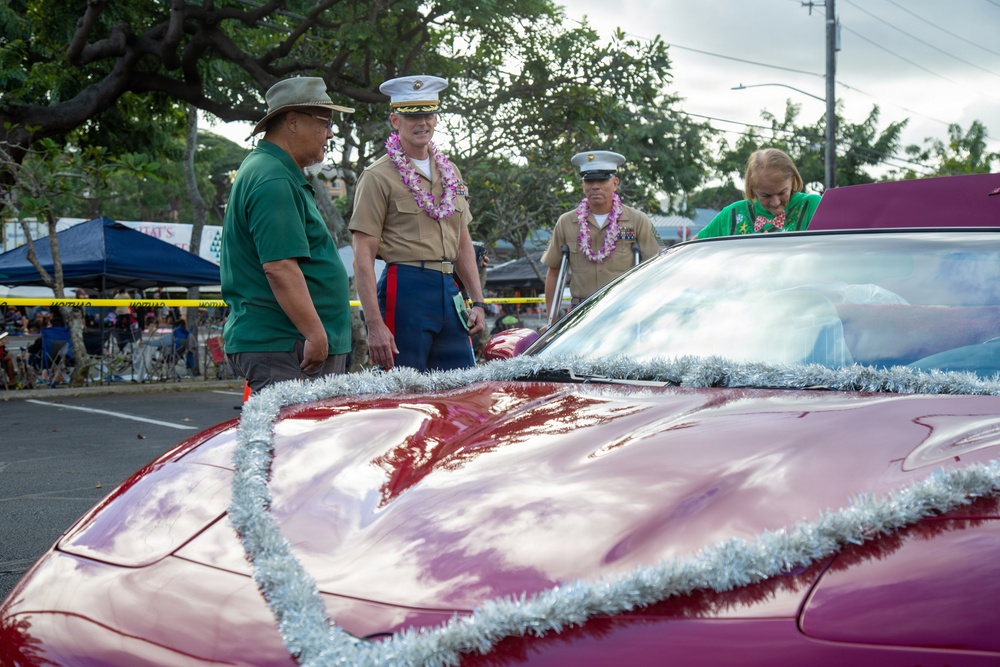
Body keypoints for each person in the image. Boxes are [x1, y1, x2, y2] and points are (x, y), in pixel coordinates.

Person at [221, 76, 355, 392]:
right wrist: (315, 334)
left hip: (288, 347)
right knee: (294, 442)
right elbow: (279, 267)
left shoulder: (272, 170)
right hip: (286, 348)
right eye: (325, 122)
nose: (330, 133)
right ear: (292, 121)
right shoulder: (273, 178)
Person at [350, 74, 486, 371]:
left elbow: (462, 240)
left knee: (461, 387)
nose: (421, 122)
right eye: (412, 116)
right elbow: (362, 256)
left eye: (428, 114)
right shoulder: (377, 176)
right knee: (404, 389)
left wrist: (478, 301)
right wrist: (374, 324)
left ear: (436, 118)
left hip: (449, 289)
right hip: (406, 288)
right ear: (395, 121)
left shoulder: (450, 171)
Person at [541, 150, 661, 325]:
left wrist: (650, 313)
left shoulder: (638, 219)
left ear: (615, 183)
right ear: (583, 184)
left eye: (602, 180)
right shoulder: (566, 222)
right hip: (580, 313)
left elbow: (656, 266)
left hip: (623, 310)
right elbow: (554, 271)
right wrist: (551, 321)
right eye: (590, 180)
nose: (595, 186)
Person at [696, 148, 822, 238]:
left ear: (793, 180)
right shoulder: (732, 215)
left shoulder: (813, 206)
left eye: (782, 192)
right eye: (766, 195)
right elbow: (694, 249)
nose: (775, 202)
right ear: (752, 189)